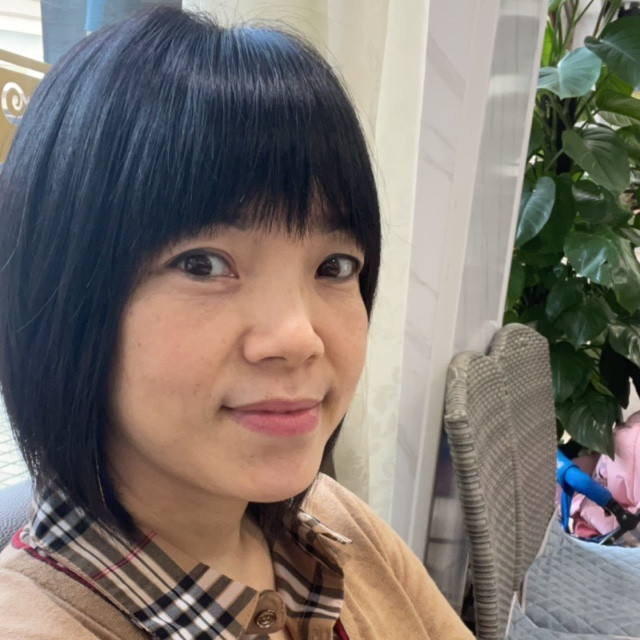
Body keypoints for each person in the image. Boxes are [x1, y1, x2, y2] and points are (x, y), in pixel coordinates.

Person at [0, 8, 473, 639]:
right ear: (61, 294)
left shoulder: (337, 525)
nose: (299, 337)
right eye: (203, 263)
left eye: (334, 266)